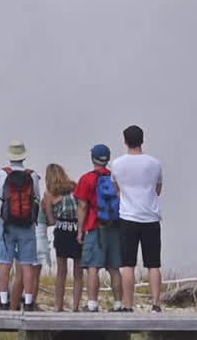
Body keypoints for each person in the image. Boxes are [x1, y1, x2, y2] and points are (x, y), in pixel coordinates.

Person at [110, 126, 164, 312]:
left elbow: (117, 188)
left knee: (128, 264)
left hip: (128, 217)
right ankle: (156, 304)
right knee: (154, 264)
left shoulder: (117, 164)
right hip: (150, 217)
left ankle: (128, 305)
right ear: (142, 140)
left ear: (125, 141)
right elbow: (158, 189)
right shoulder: (154, 163)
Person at [0, 141, 41, 312]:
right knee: (27, 264)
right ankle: (28, 302)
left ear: (9, 156)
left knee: (4, 263)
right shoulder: (32, 175)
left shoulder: (0, 174)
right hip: (27, 224)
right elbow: (37, 198)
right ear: (24, 156)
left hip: (6, 223)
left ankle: (4, 301)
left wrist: (1, 213)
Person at [77, 144, 123, 312]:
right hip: (115, 227)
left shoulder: (86, 179)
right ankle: (118, 304)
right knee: (114, 268)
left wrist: (80, 230)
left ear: (93, 158)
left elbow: (82, 206)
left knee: (93, 267)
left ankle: (92, 304)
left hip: (95, 226)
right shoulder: (115, 178)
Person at [43, 163, 82, 312]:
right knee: (78, 272)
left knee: (61, 272)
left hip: (61, 231)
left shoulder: (49, 194)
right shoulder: (75, 188)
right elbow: (83, 207)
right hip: (77, 229)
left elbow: (51, 220)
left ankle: (58, 306)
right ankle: (75, 307)